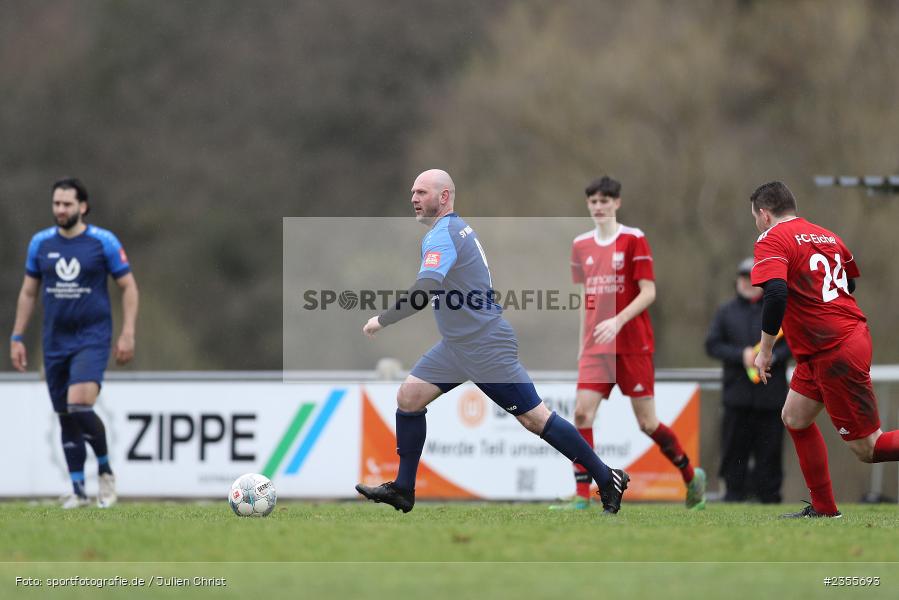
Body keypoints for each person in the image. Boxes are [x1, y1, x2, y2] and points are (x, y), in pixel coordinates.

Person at [354, 169, 630, 514]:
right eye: (413, 192)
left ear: (444, 197)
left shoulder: (444, 234)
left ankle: (607, 477)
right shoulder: (454, 229)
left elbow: (425, 290)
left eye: (422, 192)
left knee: (535, 419)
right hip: (457, 346)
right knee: (409, 397)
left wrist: (383, 319)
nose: (414, 198)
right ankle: (404, 489)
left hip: (484, 345)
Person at [553, 176, 706, 511]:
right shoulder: (581, 245)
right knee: (581, 413)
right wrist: (584, 343)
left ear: (617, 203)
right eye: (592, 201)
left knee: (647, 423)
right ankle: (581, 497)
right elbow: (586, 299)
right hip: (597, 348)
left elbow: (649, 291)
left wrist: (618, 320)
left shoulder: (634, 239)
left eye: (604, 201)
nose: (598, 207)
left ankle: (690, 475)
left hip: (633, 344)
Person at [750, 181, 899, 518]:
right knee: (794, 417)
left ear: (764, 213)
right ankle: (824, 508)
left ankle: (824, 507)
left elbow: (774, 294)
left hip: (835, 348)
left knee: (868, 447)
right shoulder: (826, 235)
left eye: (756, 218)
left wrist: (765, 350)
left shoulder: (772, 238)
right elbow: (849, 283)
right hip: (828, 344)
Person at [10, 178, 139, 509]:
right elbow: (28, 291)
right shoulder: (40, 244)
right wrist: (17, 336)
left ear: (83, 206)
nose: (60, 210)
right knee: (66, 414)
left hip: (92, 338)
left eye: (67, 204)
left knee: (80, 403)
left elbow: (129, 287)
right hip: (55, 340)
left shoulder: (103, 242)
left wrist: (128, 333)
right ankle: (79, 489)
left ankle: (106, 472)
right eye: (56, 203)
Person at [706, 257, 790, 503]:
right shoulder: (725, 312)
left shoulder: (777, 309)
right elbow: (712, 345)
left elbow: (793, 345)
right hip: (737, 397)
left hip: (770, 396)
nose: (748, 283)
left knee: (770, 451)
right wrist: (740, 355)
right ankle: (733, 494)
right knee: (734, 450)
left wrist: (771, 356)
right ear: (737, 281)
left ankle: (770, 496)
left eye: (752, 279)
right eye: (743, 278)